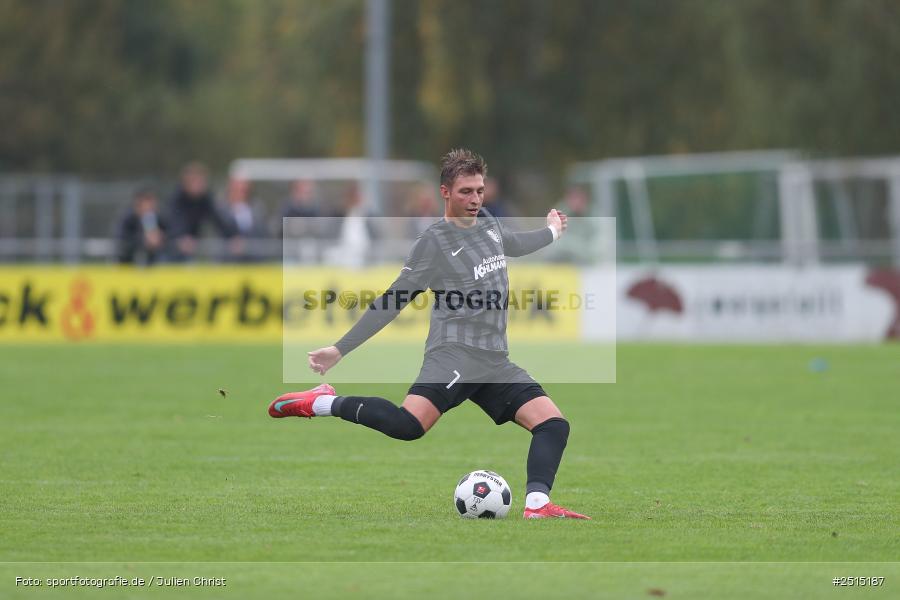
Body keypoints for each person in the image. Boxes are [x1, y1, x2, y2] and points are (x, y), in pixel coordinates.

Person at [268, 149, 589, 520]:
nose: (475, 199)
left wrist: (551, 230)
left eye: (480, 190)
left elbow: (514, 245)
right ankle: (321, 403)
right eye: (466, 191)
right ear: (445, 192)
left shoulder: (487, 222)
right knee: (409, 426)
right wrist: (340, 350)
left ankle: (537, 506)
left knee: (552, 424)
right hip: (453, 354)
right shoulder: (433, 243)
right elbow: (393, 300)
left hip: (493, 360)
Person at [168, 162, 232, 261]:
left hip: (193, 244)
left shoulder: (206, 198)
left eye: (201, 181)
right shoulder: (176, 199)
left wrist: (232, 236)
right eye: (195, 181)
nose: (199, 185)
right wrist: (181, 237)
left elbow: (218, 219)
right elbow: (174, 221)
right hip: (173, 247)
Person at [116, 187, 167, 265]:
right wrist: (143, 240)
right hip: (130, 261)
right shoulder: (128, 219)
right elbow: (122, 241)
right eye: (146, 203)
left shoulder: (161, 218)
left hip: (156, 261)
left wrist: (161, 238)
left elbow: (171, 236)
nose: (149, 207)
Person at [222, 178, 268, 262]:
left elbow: (262, 233)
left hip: (254, 261)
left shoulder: (257, 208)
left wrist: (246, 244)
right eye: (237, 188)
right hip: (227, 262)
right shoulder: (221, 208)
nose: (240, 191)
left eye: (243, 189)